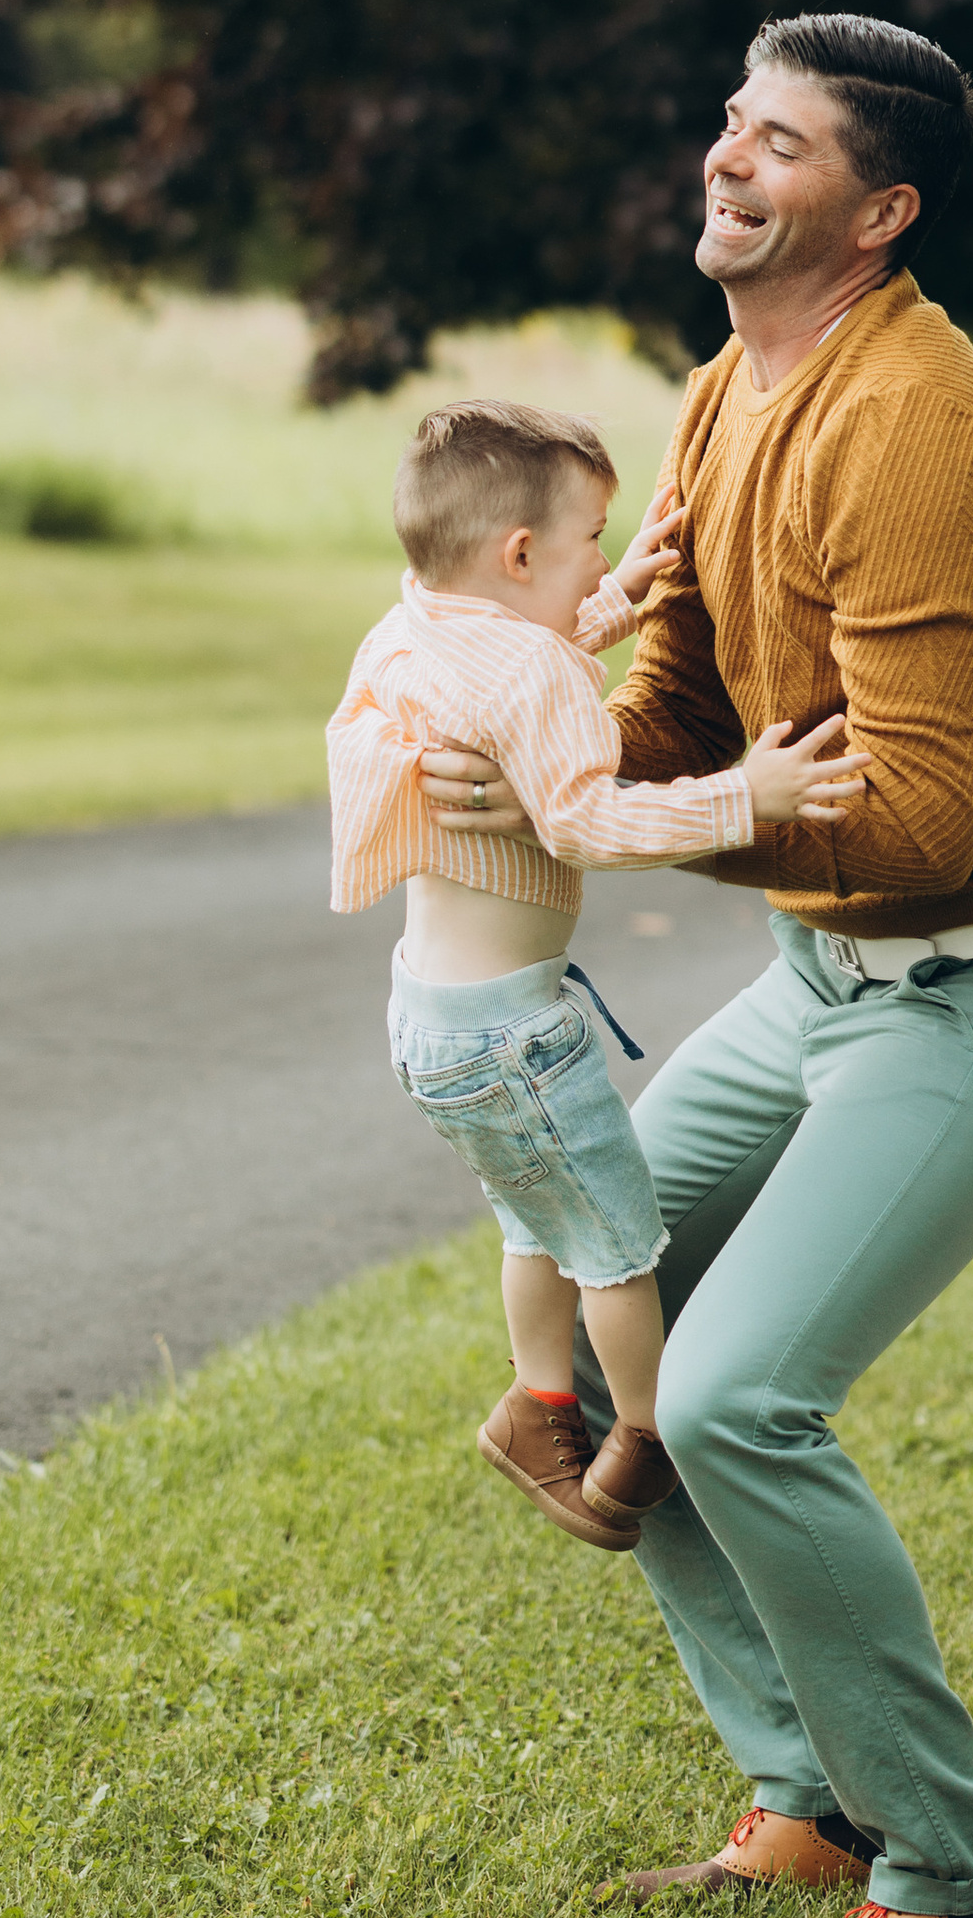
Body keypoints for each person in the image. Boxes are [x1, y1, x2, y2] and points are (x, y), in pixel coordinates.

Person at [418, 13, 973, 1918]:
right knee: (593, 1283)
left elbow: (908, 814)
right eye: (729, 123)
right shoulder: (726, 392)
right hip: (826, 975)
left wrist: (657, 829)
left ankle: (965, 1900)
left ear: (878, 207)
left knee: (731, 1396)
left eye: (784, 143)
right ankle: (809, 1801)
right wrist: (546, 748)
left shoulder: (913, 423)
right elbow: (682, 724)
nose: (728, 159)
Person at [328, 396, 862, 1550]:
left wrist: (623, 596)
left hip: (434, 1027)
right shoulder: (531, 677)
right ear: (520, 555)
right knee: (620, 1252)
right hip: (518, 1040)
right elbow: (586, 822)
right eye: (593, 542)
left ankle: (539, 1406)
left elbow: (524, 654)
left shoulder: (416, 627)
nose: (607, 560)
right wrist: (746, 798)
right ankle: (653, 1434)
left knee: (538, 1225)